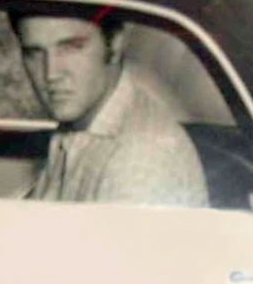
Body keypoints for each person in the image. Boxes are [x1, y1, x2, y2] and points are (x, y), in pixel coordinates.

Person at [11, 10, 209, 207]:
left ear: (114, 45)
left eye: (72, 47)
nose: (51, 73)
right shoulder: (82, 122)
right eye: (33, 53)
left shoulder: (139, 163)